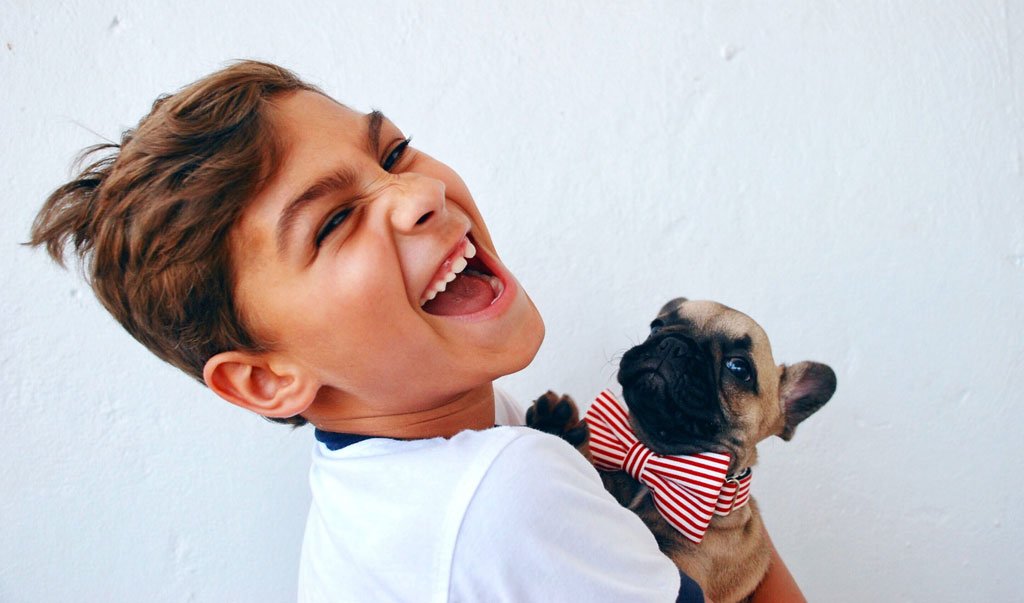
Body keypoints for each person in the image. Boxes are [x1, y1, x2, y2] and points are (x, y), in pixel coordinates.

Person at [30, 60, 802, 602]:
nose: (419, 192)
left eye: (393, 153)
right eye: (333, 221)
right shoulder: (503, 495)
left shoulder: (391, 479)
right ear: (267, 378)